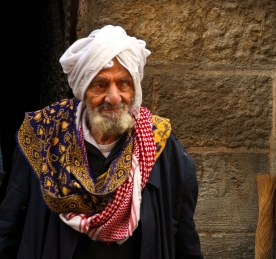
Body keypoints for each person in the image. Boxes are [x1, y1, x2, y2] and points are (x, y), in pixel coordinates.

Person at [0, 25, 203, 259]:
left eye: (123, 83)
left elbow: (185, 240)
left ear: (134, 88)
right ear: (84, 89)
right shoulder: (44, 137)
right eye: (101, 84)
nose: (114, 97)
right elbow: (7, 228)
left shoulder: (162, 146)